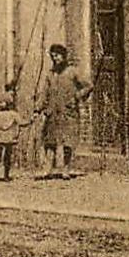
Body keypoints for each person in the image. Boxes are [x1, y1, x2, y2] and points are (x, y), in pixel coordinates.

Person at [38, 43, 92, 177]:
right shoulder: (50, 74)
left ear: (64, 56)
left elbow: (88, 86)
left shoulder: (73, 71)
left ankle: (66, 169)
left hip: (68, 111)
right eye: (53, 56)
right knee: (50, 142)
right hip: (52, 112)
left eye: (58, 55)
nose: (55, 58)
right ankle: (48, 169)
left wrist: (77, 96)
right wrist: (38, 108)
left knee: (68, 142)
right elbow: (44, 93)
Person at [0, 81, 24, 183]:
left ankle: (6, 175)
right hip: (0, 138)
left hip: (8, 139)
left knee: (7, 158)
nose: (0, 104)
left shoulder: (12, 114)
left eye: (2, 102)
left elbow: (21, 122)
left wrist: (30, 121)